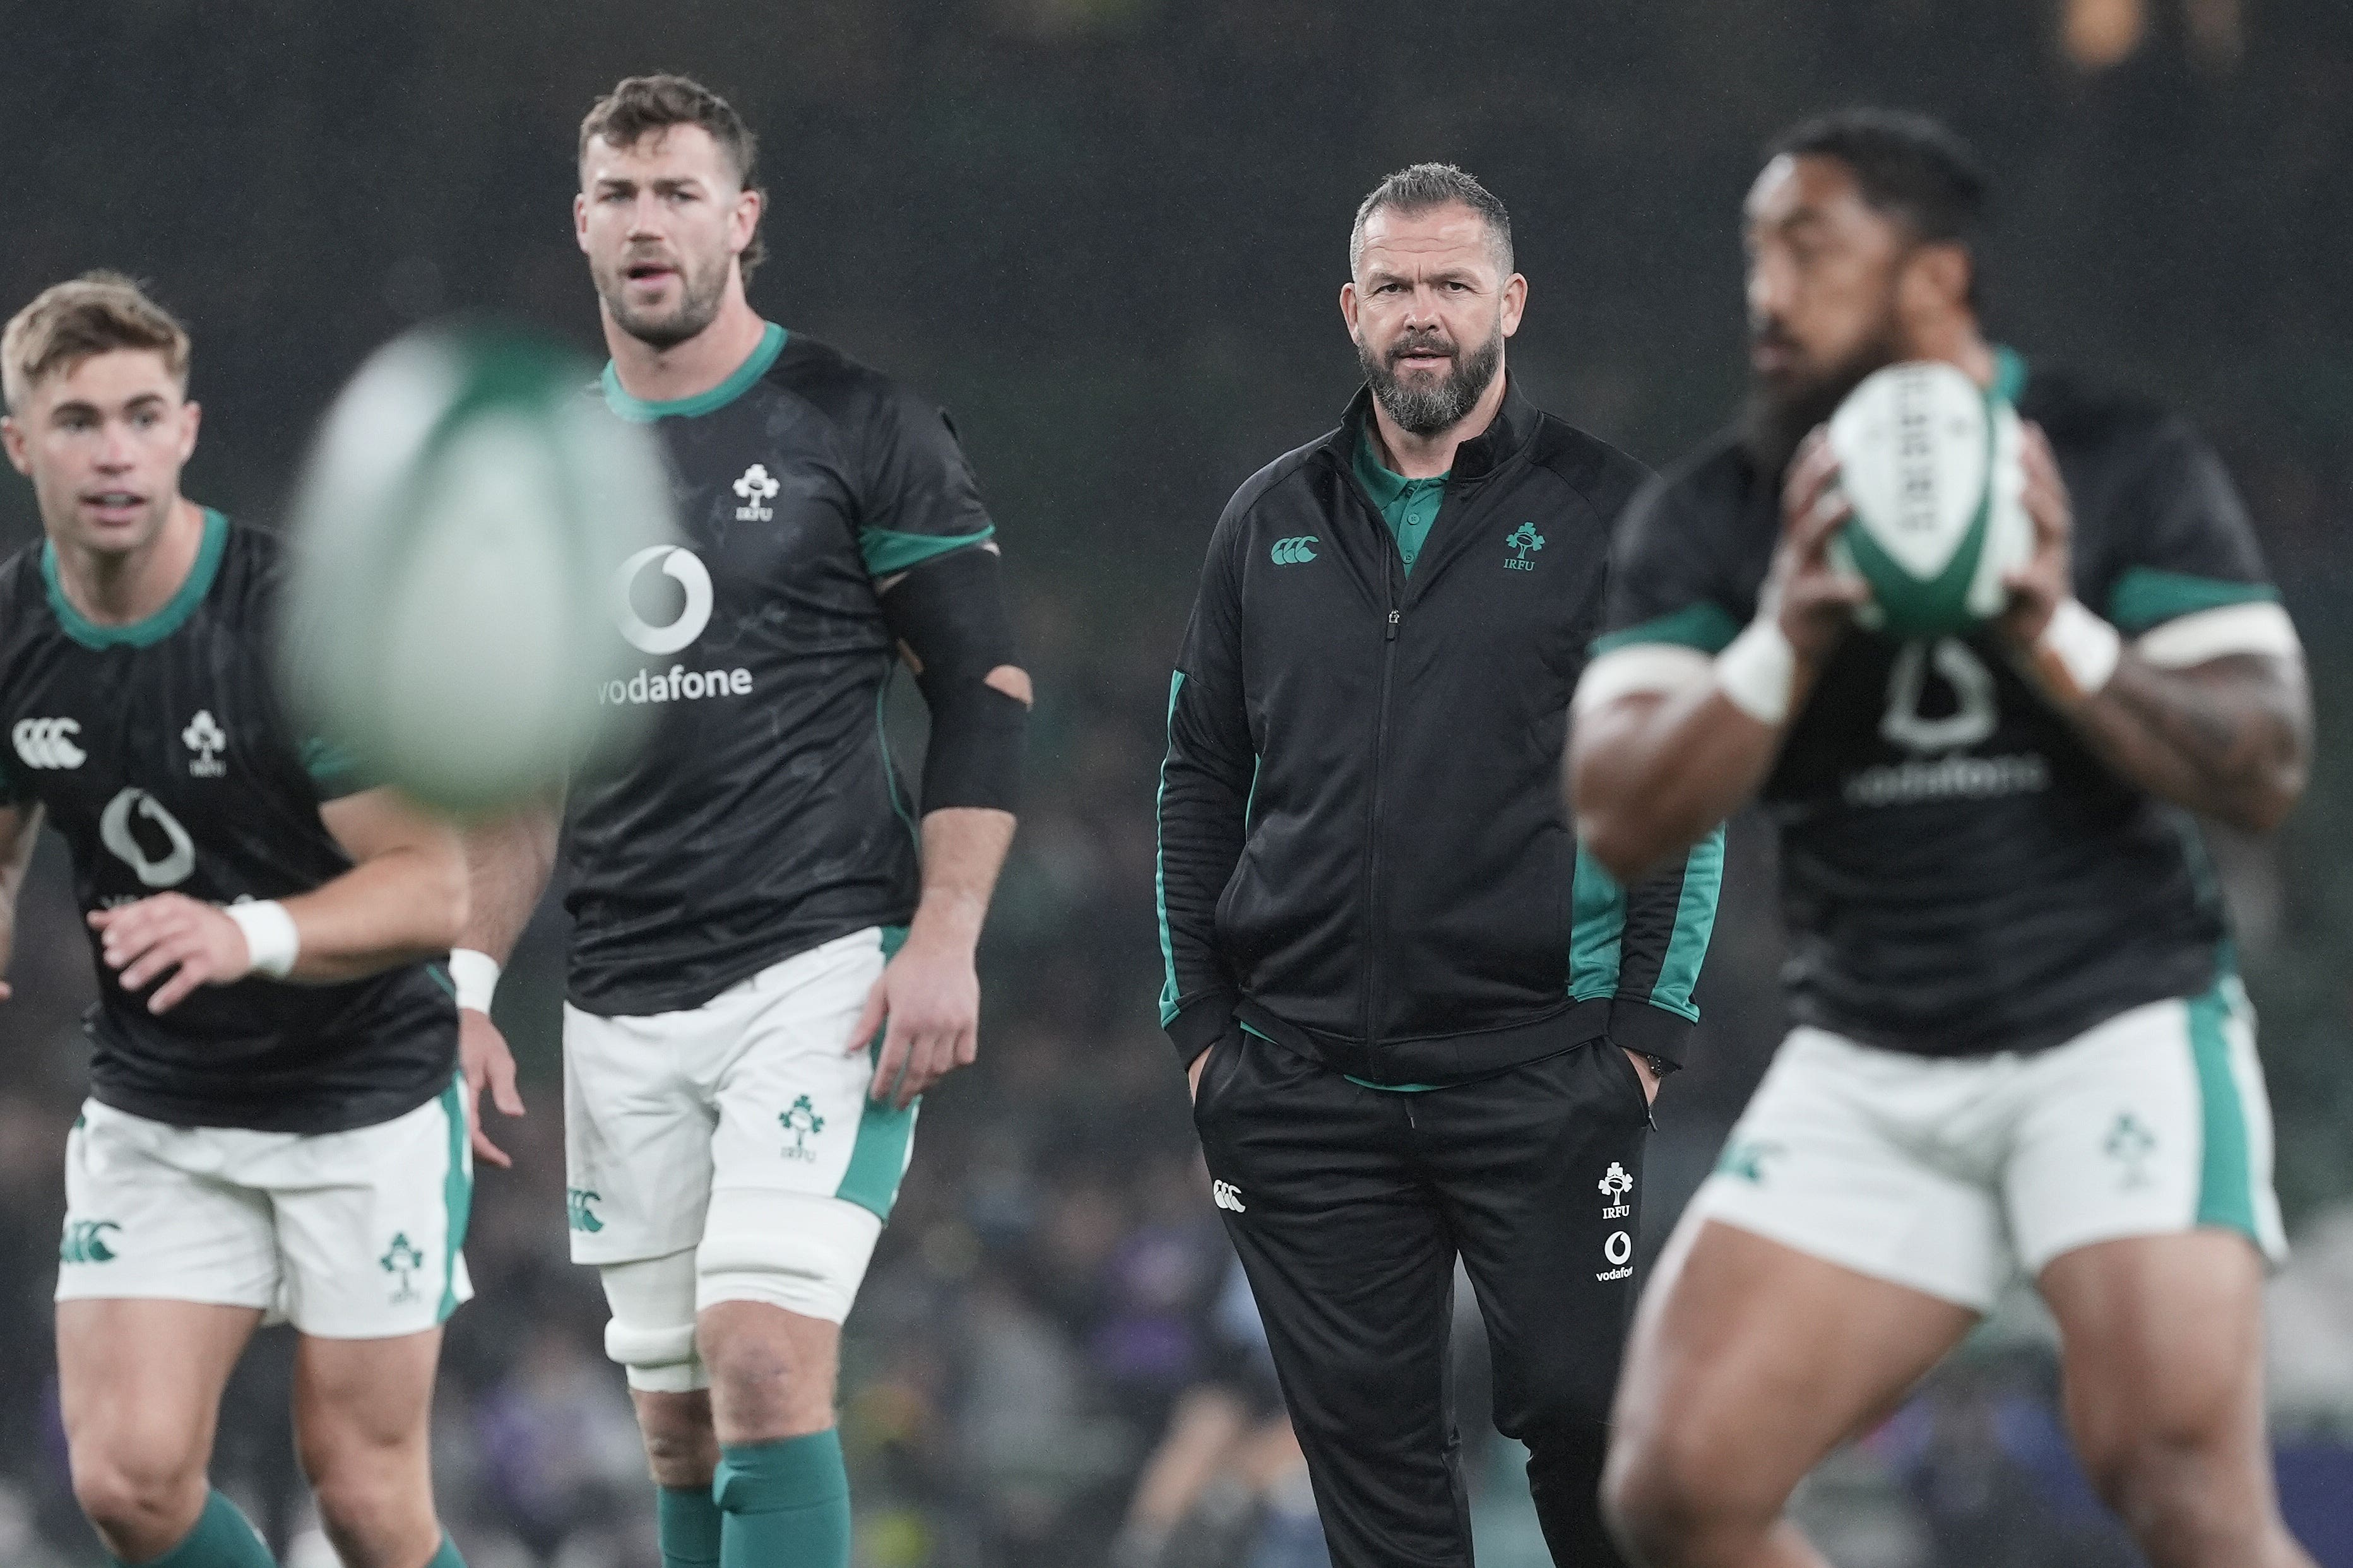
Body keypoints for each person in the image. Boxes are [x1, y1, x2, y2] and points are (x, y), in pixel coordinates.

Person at [1568, 110, 2315, 1568]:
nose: (1767, 293)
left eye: (1810, 247)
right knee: (1675, 1488)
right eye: (1754, 255)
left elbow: (2268, 762)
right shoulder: (1720, 516)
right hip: (1873, 1058)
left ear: (1932, 280)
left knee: (2175, 1478)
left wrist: (2052, 630)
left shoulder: (2109, 457)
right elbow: (1616, 806)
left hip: (2112, 1024)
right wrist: (1784, 634)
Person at [456, 74, 1030, 1568]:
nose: (651, 223)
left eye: (682, 192)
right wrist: (459, 988)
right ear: (583, 223)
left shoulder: (859, 421)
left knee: (766, 1359)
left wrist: (948, 939)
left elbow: (985, 687)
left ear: (743, 220)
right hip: (622, 998)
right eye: (623, 195)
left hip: (820, 966)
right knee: (680, 1424)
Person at [1156, 163, 1722, 1568]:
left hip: (1543, 1072)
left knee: (1590, 1428)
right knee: (1371, 1466)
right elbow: (1200, 777)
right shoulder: (1262, 522)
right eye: (1396, 288)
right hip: (1301, 1089)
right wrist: (1202, 1037)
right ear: (1351, 309)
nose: (1423, 315)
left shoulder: (1609, 515)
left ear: (1508, 305)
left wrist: (1642, 1039)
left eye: (1451, 285)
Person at [0, 273, 473, 1568]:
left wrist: (244, 932)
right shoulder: (11, 632)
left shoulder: (289, 620)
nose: (115, 451)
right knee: (128, 1483)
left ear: (187, 431)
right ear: (21, 442)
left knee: (369, 1506)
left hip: (358, 1099)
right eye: (81, 419)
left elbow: (434, 884)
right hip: (163, 1105)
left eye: (143, 416)